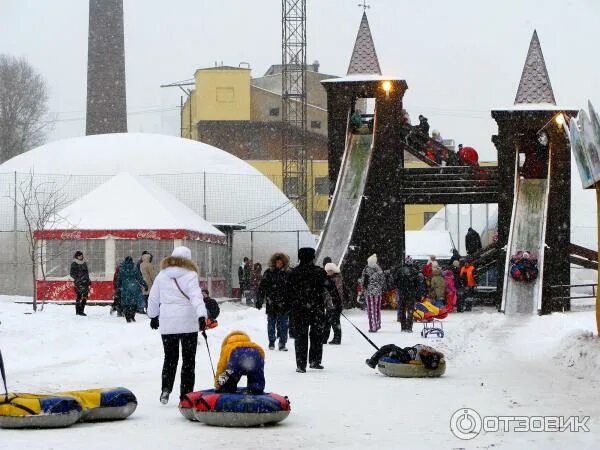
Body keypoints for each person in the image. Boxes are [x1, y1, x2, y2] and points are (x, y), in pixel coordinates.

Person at [147, 246, 208, 404]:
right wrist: (201, 315)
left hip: (168, 324)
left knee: (170, 358)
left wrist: (153, 316)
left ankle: (166, 389)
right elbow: (196, 297)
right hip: (188, 323)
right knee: (188, 360)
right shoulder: (191, 274)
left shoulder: (162, 275)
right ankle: (186, 396)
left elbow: (153, 298)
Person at [287, 247, 328, 372]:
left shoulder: (294, 273)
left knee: (301, 336)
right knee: (317, 335)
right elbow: (328, 287)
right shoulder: (319, 272)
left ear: (299, 257)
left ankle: (301, 364)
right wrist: (336, 303)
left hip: (299, 309)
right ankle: (315, 361)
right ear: (313, 257)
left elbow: (288, 292)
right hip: (317, 308)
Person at [256, 253, 290, 351]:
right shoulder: (268, 273)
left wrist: (292, 301)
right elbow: (262, 288)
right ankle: (271, 342)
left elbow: (292, 289)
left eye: (281, 262)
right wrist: (260, 300)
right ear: (274, 262)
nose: (279, 264)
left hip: (284, 304)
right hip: (272, 303)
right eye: (277, 262)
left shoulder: (287, 274)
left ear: (284, 263)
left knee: (283, 324)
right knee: (271, 324)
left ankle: (282, 343)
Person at [365, 344, 444, 370]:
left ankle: (373, 362)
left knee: (388, 347)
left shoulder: (421, 359)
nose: (427, 350)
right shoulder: (433, 352)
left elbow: (410, 362)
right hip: (405, 351)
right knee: (388, 348)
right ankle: (378, 358)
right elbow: (441, 356)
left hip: (404, 356)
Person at [117, 256, 147, 323]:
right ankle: (132, 316)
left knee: (126, 303)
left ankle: (128, 317)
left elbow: (119, 278)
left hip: (125, 288)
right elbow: (139, 278)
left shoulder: (122, 268)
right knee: (134, 303)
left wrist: (118, 287)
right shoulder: (134, 268)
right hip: (134, 288)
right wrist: (144, 284)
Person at [361, 254, 386, 333]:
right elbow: (382, 280)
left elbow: (363, 281)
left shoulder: (366, 269)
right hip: (378, 292)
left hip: (369, 292)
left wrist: (364, 288)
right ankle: (378, 325)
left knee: (371, 310)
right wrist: (379, 287)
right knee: (377, 309)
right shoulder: (379, 269)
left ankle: (373, 327)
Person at [394, 256, 419, 332]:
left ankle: (403, 327)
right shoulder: (415, 271)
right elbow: (417, 284)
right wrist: (415, 290)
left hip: (402, 293)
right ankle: (409, 327)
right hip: (411, 293)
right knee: (410, 310)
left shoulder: (400, 270)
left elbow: (395, 281)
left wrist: (399, 287)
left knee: (402, 310)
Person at [323, 262, 345, 345]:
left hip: (336, 304)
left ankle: (337, 339)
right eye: (327, 271)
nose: (327, 272)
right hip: (330, 304)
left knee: (335, 322)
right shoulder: (329, 279)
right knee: (327, 322)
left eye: (329, 271)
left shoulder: (336, 279)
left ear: (333, 270)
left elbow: (335, 292)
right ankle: (324, 338)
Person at [70, 251, 91, 316]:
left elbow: (86, 272)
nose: (81, 257)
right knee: (79, 296)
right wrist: (78, 278)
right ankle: (77, 311)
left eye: (81, 255)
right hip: (78, 283)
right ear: (76, 256)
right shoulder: (74, 263)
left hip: (85, 282)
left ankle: (82, 310)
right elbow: (72, 274)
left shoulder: (84, 263)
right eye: (79, 256)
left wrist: (88, 279)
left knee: (85, 296)